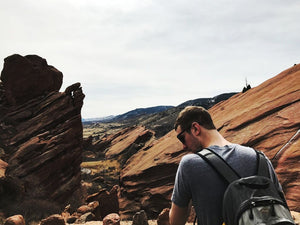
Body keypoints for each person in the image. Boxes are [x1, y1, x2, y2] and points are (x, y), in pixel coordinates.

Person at [169, 106, 282, 225]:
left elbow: (176, 221)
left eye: (182, 138)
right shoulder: (261, 158)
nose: (183, 146)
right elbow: (281, 207)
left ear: (195, 128)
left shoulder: (189, 164)